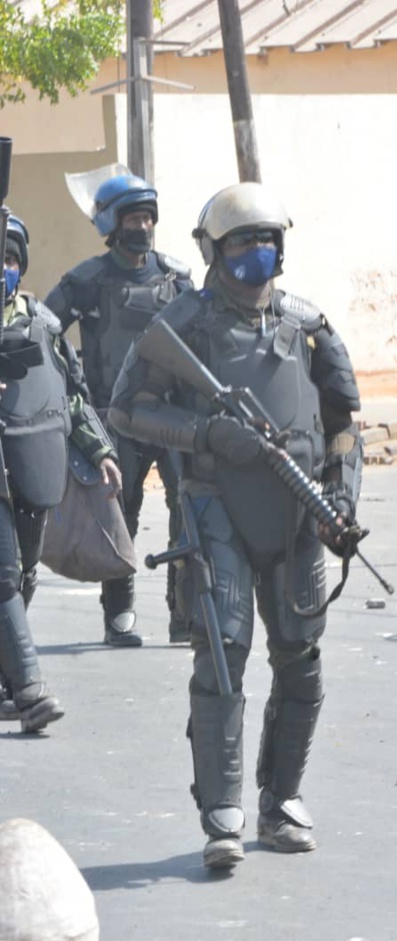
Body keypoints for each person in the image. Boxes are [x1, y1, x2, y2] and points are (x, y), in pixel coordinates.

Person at [108, 182, 363, 868]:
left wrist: (342, 501)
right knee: (222, 654)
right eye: (242, 241)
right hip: (216, 507)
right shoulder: (182, 325)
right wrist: (207, 434)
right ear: (213, 251)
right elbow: (127, 409)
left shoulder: (309, 327)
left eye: (266, 240)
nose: (256, 252)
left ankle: (282, 800)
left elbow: (343, 426)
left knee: (301, 657)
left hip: (298, 513)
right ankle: (222, 811)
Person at [45, 174, 194, 648]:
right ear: (111, 224)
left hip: (172, 419)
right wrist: (67, 392)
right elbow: (44, 333)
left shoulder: (176, 279)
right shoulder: (86, 282)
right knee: (119, 515)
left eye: (148, 218)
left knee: (188, 510)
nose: (143, 227)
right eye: (133, 219)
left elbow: (203, 340)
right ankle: (119, 615)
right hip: (115, 420)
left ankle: (186, 613)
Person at [0, 213, 121, 732]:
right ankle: (31, 689)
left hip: (32, 463)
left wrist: (100, 450)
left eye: (9, 259)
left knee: (24, 574)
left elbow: (71, 395)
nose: (3, 268)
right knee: (3, 574)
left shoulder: (44, 324)